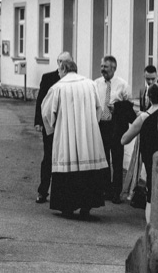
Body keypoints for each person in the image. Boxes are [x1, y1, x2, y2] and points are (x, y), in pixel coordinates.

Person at [40, 59, 108, 218]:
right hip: (88, 135)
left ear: (63, 68)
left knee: (67, 164)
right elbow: (99, 107)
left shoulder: (58, 87)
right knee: (87, 164)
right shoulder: (90, 84)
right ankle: (87, 205)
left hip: (66, 135)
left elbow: (47, 111)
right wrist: (91, 125)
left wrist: (53, 129)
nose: (58, 73)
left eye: (59, 70)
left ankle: (67, 206)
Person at [33, 51, 72, 204]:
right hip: (50, 124)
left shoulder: (73, 79)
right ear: (57, 62)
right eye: (62, 62)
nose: (64, 65)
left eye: (67, 62)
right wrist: (38, 121)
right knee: (48, 157)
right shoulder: (48, 77)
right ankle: (43, 191)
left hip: (67, 126)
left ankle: (62, 192)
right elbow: (41, 100)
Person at [94, 55, 132, 204]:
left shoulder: (122, 85)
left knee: (117, 160)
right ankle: (106, 190)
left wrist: (117, 109)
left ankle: (116, 192)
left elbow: (128, 107)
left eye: (106, 67)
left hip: (116, 127)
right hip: (102, 125)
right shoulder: (96, 84)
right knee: (103, 160)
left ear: (114, 68)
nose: (103, 69)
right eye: (102, 66)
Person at [121, 83, 158, 205]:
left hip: (149, 158)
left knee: (151, 188)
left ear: (148, 97)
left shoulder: (144, 117)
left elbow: (124, 140)